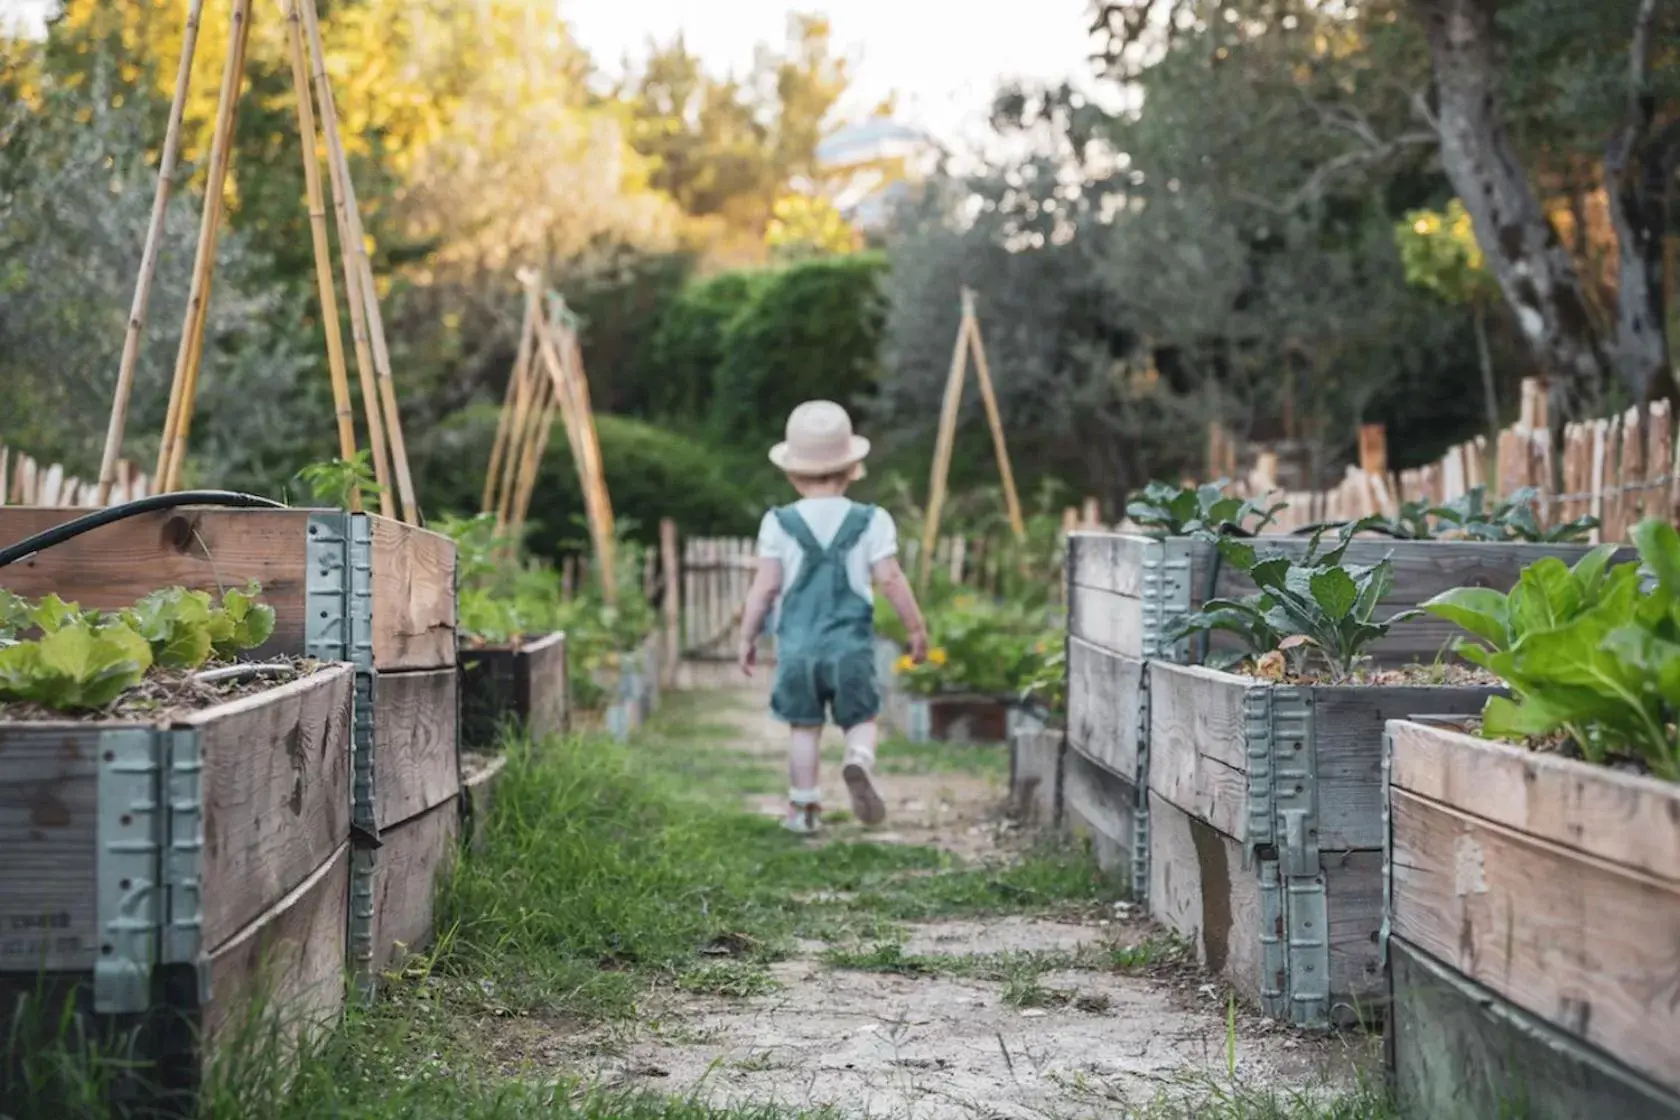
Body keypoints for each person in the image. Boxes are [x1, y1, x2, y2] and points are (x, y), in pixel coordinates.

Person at [738, 400, 929, 835]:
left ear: (792, 471)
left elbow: (764, 587)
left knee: (804, 728)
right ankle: (858, 760)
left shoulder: (778, 523)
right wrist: (915, 628)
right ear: (851, 468)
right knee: (860, 718)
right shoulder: (872, 520)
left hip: (797, 648)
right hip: (851, 647)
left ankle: (803, 811)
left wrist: (747, 637)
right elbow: (892, 579)